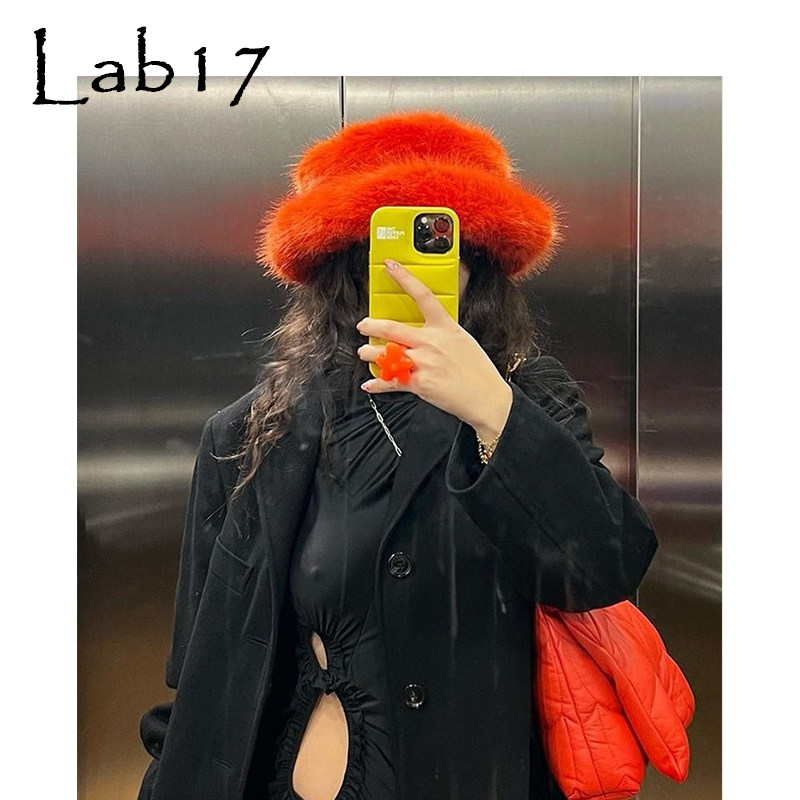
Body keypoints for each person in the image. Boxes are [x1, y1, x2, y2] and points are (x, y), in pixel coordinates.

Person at [137, 110, 658, 800]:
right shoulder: (251, 434)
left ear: (482, 268)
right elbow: (203, 672)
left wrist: (492, 410)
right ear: (340, 267)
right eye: (383, 253)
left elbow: (603, 567)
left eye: (443, 249)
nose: (413, 277)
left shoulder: (528, 402)